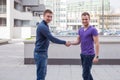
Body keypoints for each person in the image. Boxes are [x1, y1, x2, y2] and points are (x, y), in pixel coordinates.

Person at [34, 9, 70, 80]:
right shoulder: (42, 27)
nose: (50, 18)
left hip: (42, 52)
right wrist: (64, 42)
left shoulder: (45, 25)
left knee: (42, 74)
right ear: (43, 16)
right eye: (48, 16)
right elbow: (52, 39)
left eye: (51, 17)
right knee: (41, 75)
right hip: (40, 53)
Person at [70, 12, 99, 80]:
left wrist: (97, 56)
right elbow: (78, 41)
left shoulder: (93, 30)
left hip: (89, 55)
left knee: (85, 75)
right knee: (87, 73)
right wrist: (70, 43)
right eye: (83, 19)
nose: (84, 21)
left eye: (86, 19)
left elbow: (97, 43)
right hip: (82, 54)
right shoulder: (80, 30)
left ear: (89, 19)